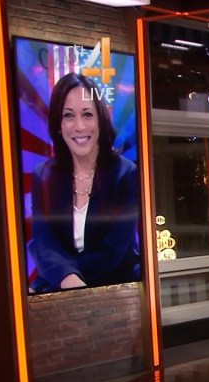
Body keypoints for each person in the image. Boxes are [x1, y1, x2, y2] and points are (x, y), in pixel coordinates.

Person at [28, 73, 140, 293]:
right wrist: (66, 277)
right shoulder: (43, 175)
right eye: (68, 115)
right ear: (59, 125)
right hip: (63, 280)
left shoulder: (126, 174)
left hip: (117, 282)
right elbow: (43, 241)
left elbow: (114, 250)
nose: (79, 126)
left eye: (87, 114)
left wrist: (69, 279)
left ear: (100, 121)